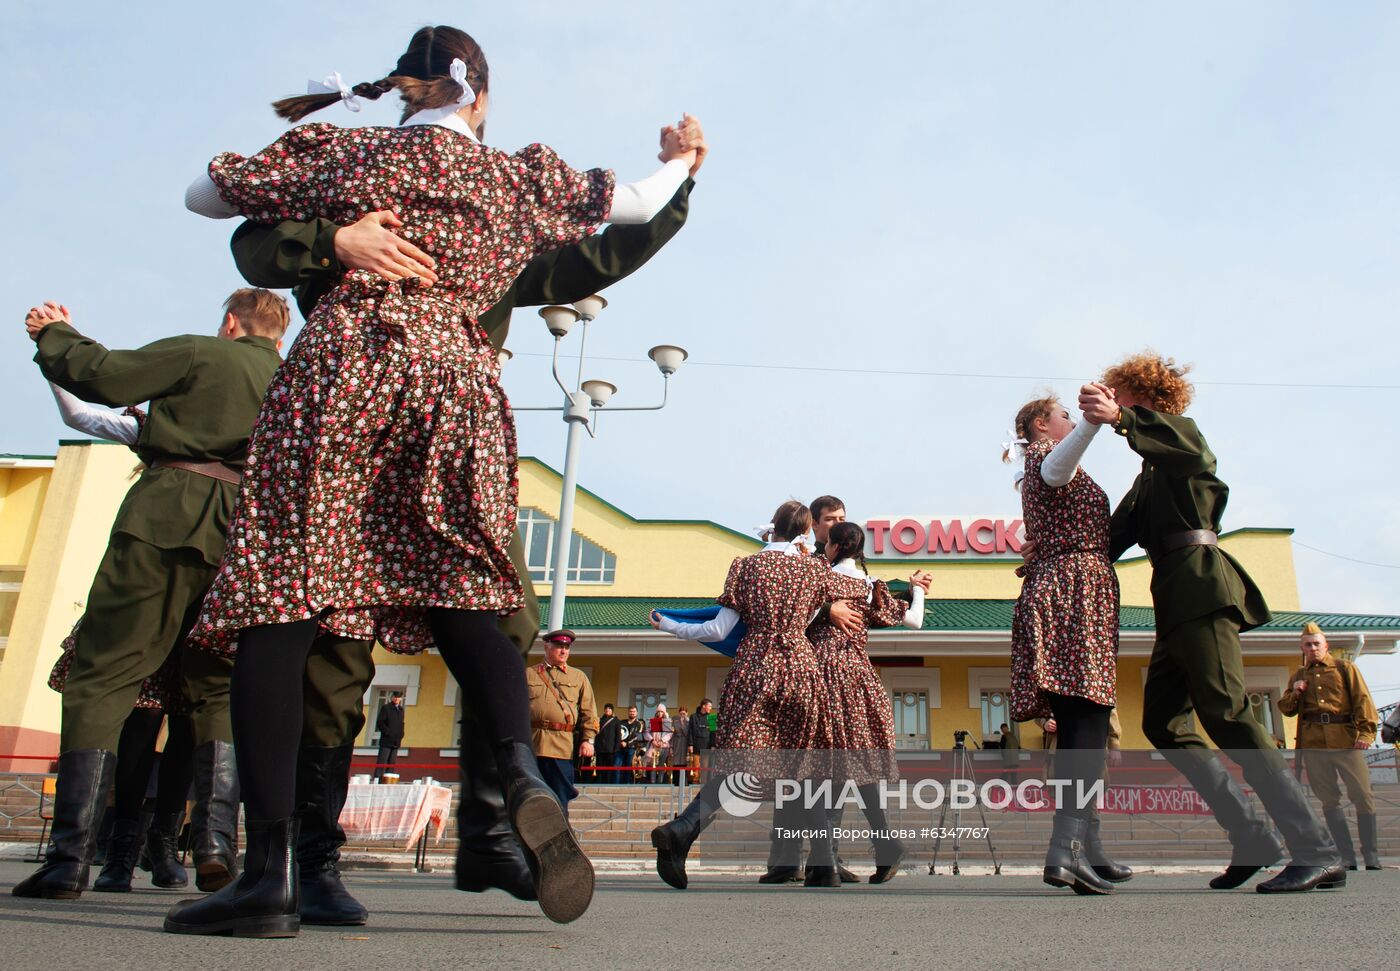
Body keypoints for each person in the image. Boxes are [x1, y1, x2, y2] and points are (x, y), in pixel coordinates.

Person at [174, 24, 700, 933]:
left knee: (284, 599)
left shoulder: (349, 151)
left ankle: (269, 876)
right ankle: (520, 777)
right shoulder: (518, 178)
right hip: (457, 376)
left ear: (405, 89)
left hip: (346, 367)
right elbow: (637, 201)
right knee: (469, 590)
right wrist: (685, 161)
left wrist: (331, 159)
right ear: (482, 99)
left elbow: (203, 196)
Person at [14, 291, 289, 902]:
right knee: (216, 684)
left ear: (230, 322)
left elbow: (103, 379)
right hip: (247, 537)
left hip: (168, 514)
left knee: (104, 673)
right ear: (280, 334)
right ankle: (215, 843)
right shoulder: (297, 380)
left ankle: (68, 861)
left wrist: (55, 334)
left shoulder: (202, 353)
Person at [1080, 353, 1343, 893]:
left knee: (1227, 713)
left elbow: (1192, 450)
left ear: (1144, 398)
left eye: (1122, 396)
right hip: (1173, 598)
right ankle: (1252, 838)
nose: (1114, 402)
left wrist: (1124, 422)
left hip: (1202, 585)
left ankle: (1314, 847)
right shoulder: (1148, 474)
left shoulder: (1181, 437)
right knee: (1165, 724)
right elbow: (1113, 535)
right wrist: (1053, 549)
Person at [649, 500, 845, 889]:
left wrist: (671, 625)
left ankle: (685, 828)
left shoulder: (746, 566)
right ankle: (823, 865)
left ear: (772, 527)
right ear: (806, 532)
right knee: (803, 763)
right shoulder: (814, 569)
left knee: (738, 764)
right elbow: (851, 593)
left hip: (754, 667)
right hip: (800, 669)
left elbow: (719, 630)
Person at [1008, 394, 1127, 895]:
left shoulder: (1034, 469)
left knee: (1085, 725)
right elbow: (1056, 470)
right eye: (1064, 415)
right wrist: (1096, 426)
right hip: (1074, 589)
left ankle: (1088, 847)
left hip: (1063, 585)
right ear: (1041, 424)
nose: (1072, 420)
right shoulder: (1043, 456)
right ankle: (1067, 850)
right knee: (1086, 724)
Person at [808, 521, 929, 885]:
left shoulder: (820, 578)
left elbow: (794, 611)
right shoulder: (868, 584)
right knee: (850, 764)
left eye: (827, 543)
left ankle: (828, 860)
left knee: (827, 766)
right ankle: (874, 848)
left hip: (823, 673)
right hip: (858, 675)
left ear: (834, 546)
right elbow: (915, 620)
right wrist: (916, 589)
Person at [1278, 622, 1381, 870]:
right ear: (1302, 648)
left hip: (1347, 742)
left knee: (1363, 796)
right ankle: (1347, 857)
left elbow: (1362, 699)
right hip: (1314, 746)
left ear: (1326, 646)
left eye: (1316, 644)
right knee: (1329, 801)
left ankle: (1371, 855)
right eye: (1308, 645)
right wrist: (1295, 692)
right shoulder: (1299, 676)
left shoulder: (1344, 668)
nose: (1312, 648)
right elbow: (1286, 709)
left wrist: (1366, 733)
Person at [525, 630, 599, 815]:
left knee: (560, 796)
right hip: (531, 744)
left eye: (566, 647)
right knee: (530, 796)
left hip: (561, 746)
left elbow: (589, 712)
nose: (563, 651)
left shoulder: (578, 677)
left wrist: (587, 740)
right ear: (546, 647)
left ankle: (560, 836)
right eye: (559, 646)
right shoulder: (529, 674)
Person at [373, 693, 406, 781]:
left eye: (398, 697)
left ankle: (388, 780)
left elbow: (401, 723)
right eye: (395, 697)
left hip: (396, 741)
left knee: (391, 763)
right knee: (382, 761)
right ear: (392, 698)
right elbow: (380, 722)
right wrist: (387, 732)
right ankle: (378, 780)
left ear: (401, 699)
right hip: (386, 740)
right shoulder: (386, 708)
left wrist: (401, 734)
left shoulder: (401, 710)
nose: (396, 699)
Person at [644, 705, 674, 783]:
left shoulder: (667, 722)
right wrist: (652, 740)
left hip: (664, 746)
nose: (660, 713)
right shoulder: (653, 721)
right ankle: (653, 782)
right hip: (654, 746)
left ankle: (660, 782)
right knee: (653, 765)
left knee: (661, 765)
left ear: (664, 712)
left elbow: (669, 734)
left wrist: (662, 740)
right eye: (658, 712)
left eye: (661, 712)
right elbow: (647, 732)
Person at [593, 705, 620, 784]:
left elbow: (618, 736)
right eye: (606, 709)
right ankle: (598, 782)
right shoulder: (600, 720)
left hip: (610, 749)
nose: (607, 711)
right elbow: (596, 734)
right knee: (599, 767)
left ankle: (607, 783)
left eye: (609, 709)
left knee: (609, 769)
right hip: (600, 748)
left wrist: (616, 748)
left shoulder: (616, 721)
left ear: (612, 711)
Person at [619, 706, 646, 783]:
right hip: (620, 748)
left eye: (634, 711)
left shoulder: (639, 724)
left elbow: (637, 737)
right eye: (630, 711)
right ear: (628, 712)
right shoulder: (622, 722)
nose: (632, 713)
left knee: (628, 767)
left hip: (631, 748)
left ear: (637, 713)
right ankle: (617, 785)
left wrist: (627, 744)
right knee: (617, 767)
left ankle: (627, 785)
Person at [669, 707, 692, 786]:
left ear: (687, 713)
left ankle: (684, 783)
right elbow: (672, 735)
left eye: (684, 714)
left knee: (684, 763)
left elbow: (686, 733)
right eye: (681, 714)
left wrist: (682, 724)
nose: (682, 715)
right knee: (676, 763)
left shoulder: (689, 722)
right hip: (677, 743)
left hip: (685, 743)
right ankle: (675, 783)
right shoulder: (675, 722)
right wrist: (671, 747)